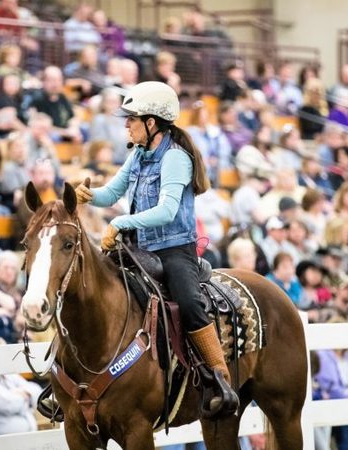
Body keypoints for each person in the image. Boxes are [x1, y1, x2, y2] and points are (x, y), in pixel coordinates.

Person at [74, 81, 238, 414]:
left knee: (191, 303)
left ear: (152, 123)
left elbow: (167, 210)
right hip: (139, 247)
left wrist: (120, 223)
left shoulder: (176, 158)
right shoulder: (138, 154)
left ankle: (218, 377)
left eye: (132, 118)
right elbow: (112, 193)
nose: (126, 124)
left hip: (175, 249)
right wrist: (90, 195)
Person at [89, 88, 128, 163]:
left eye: (115, 102)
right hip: (106, 159)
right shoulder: (99, 119)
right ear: (103, 104)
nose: (112, 105)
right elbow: (99, 144)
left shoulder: (123, 121)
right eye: (109, 102)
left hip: (123, 157)